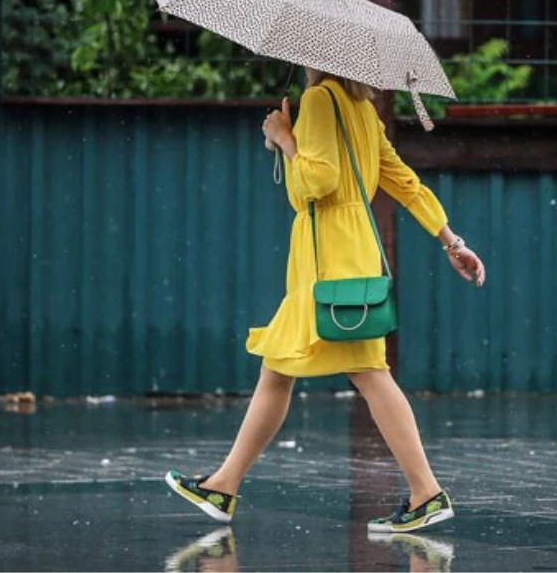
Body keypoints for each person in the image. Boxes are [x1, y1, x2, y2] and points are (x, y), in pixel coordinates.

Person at [165, 69, 486, 533]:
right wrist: (452, 241)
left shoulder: (318, 100)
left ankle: (427, 492)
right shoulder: (363, 109)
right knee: (283, 366)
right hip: (349, 254)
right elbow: (405, 183)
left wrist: (285, 138)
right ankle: (224, 484)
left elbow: (315, 184)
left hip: (326, 257)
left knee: (365, 372)